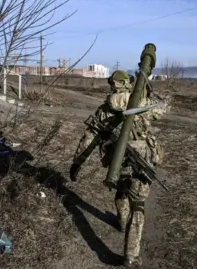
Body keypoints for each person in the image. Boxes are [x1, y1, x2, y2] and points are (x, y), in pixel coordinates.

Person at [69, 70, 170, 267]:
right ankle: (131, 255)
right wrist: (151, 91)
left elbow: (89, 139)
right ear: (128, 84)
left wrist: (76, 163)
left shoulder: (104, 110)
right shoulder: (142, 105)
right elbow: (165, 108)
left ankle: (122, 221)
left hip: (117, 161)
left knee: (121, 189)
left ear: (112, 85)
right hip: (142, 160)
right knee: (138, 204)